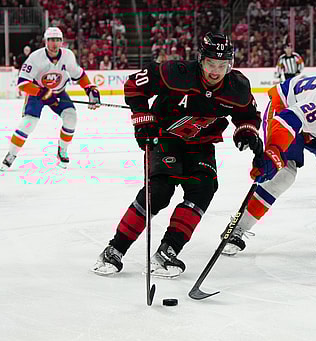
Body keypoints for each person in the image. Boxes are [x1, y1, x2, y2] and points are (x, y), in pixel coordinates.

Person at [91, 32, 262, 278]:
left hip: (200, 142)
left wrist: (246, 132)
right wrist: (143, 119)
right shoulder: (176, 72)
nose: (215, 71)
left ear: (230, 64)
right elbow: (133, 86)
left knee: (204, 188)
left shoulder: (238, 87)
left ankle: (167, 251)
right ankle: (114, 250)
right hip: (164, 136)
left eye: (222, 65)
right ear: (200, 60)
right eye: (211, 64)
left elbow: (247, 115)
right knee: (159, 191)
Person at [221, 72, 316, 256]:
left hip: (315, 127)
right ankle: (236, 229)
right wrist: (274, 153)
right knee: (284, 175)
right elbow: (288, 120)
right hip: (285, 109)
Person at [0, 27, 101, 171]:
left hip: (58, 93)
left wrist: (90, 89)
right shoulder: (35, 57)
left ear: (62, 42)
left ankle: (62, 151)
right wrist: (41, 92)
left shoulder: (68, 56)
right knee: (29, 122)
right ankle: (12, 154)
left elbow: (79, 75)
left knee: (71, 117)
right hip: (38, 94)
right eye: (51, 40)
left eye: (58, 40)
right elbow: (22, 83)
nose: (54, 43)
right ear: (46, 41)